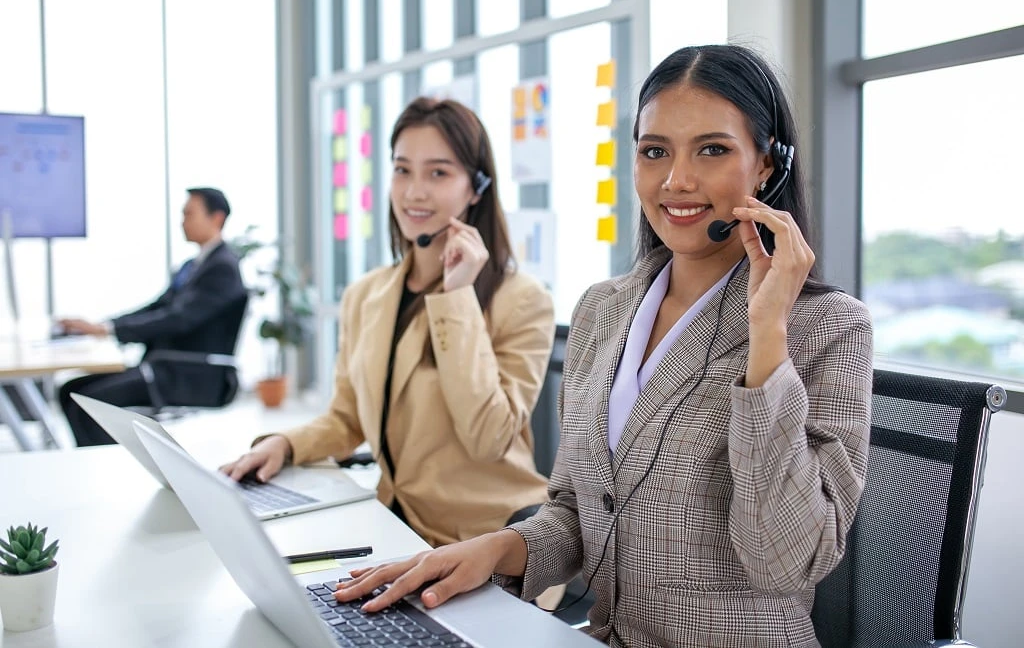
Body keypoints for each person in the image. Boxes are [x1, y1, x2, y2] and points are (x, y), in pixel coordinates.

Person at [332, 45, 874, 647]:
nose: (676, 180)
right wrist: (498, 549)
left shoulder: (828, 327)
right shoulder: (603, 309)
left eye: (712, 150)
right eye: (654, 152)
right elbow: (578, 510)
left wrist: (767, 338)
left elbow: (785, 562)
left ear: (768, 165)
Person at [221, 97, 554, 550]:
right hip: (394, 531)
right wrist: (284, 443)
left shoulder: (521, 300)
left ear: (476, 188)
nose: (415, 192)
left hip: (485, 544)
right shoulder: (366, 295)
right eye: (402, 170)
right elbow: (346, 419)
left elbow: (488, 439)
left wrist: (457, 295)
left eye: (438, 173)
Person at [58, 187, 247, 447]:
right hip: (165, 365)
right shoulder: (193, 266)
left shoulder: (222, 268)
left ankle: (103, 465)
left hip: (190, 374)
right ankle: (90, 460)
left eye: (189, 214)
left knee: (88, 406)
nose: (182, 221)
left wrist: (110, 331)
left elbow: (178, 319)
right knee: (70, 391)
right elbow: (157, 308)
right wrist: (105, 327)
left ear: (217, 218)